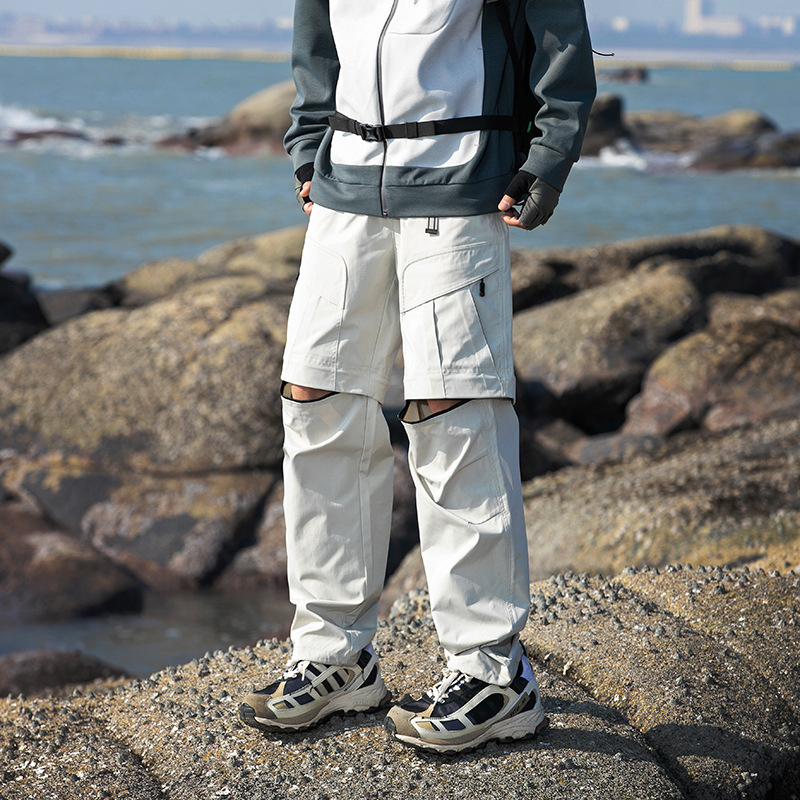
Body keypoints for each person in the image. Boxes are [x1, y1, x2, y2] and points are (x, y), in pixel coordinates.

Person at [239, 0, 596, 753]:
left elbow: (560, 37)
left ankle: (493, 671)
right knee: (315, 401)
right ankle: (337, 655)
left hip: (459, 188)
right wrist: (307, 148)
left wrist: (547, 159)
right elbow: (316, 42)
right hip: (343, 190)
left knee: (453, 416)